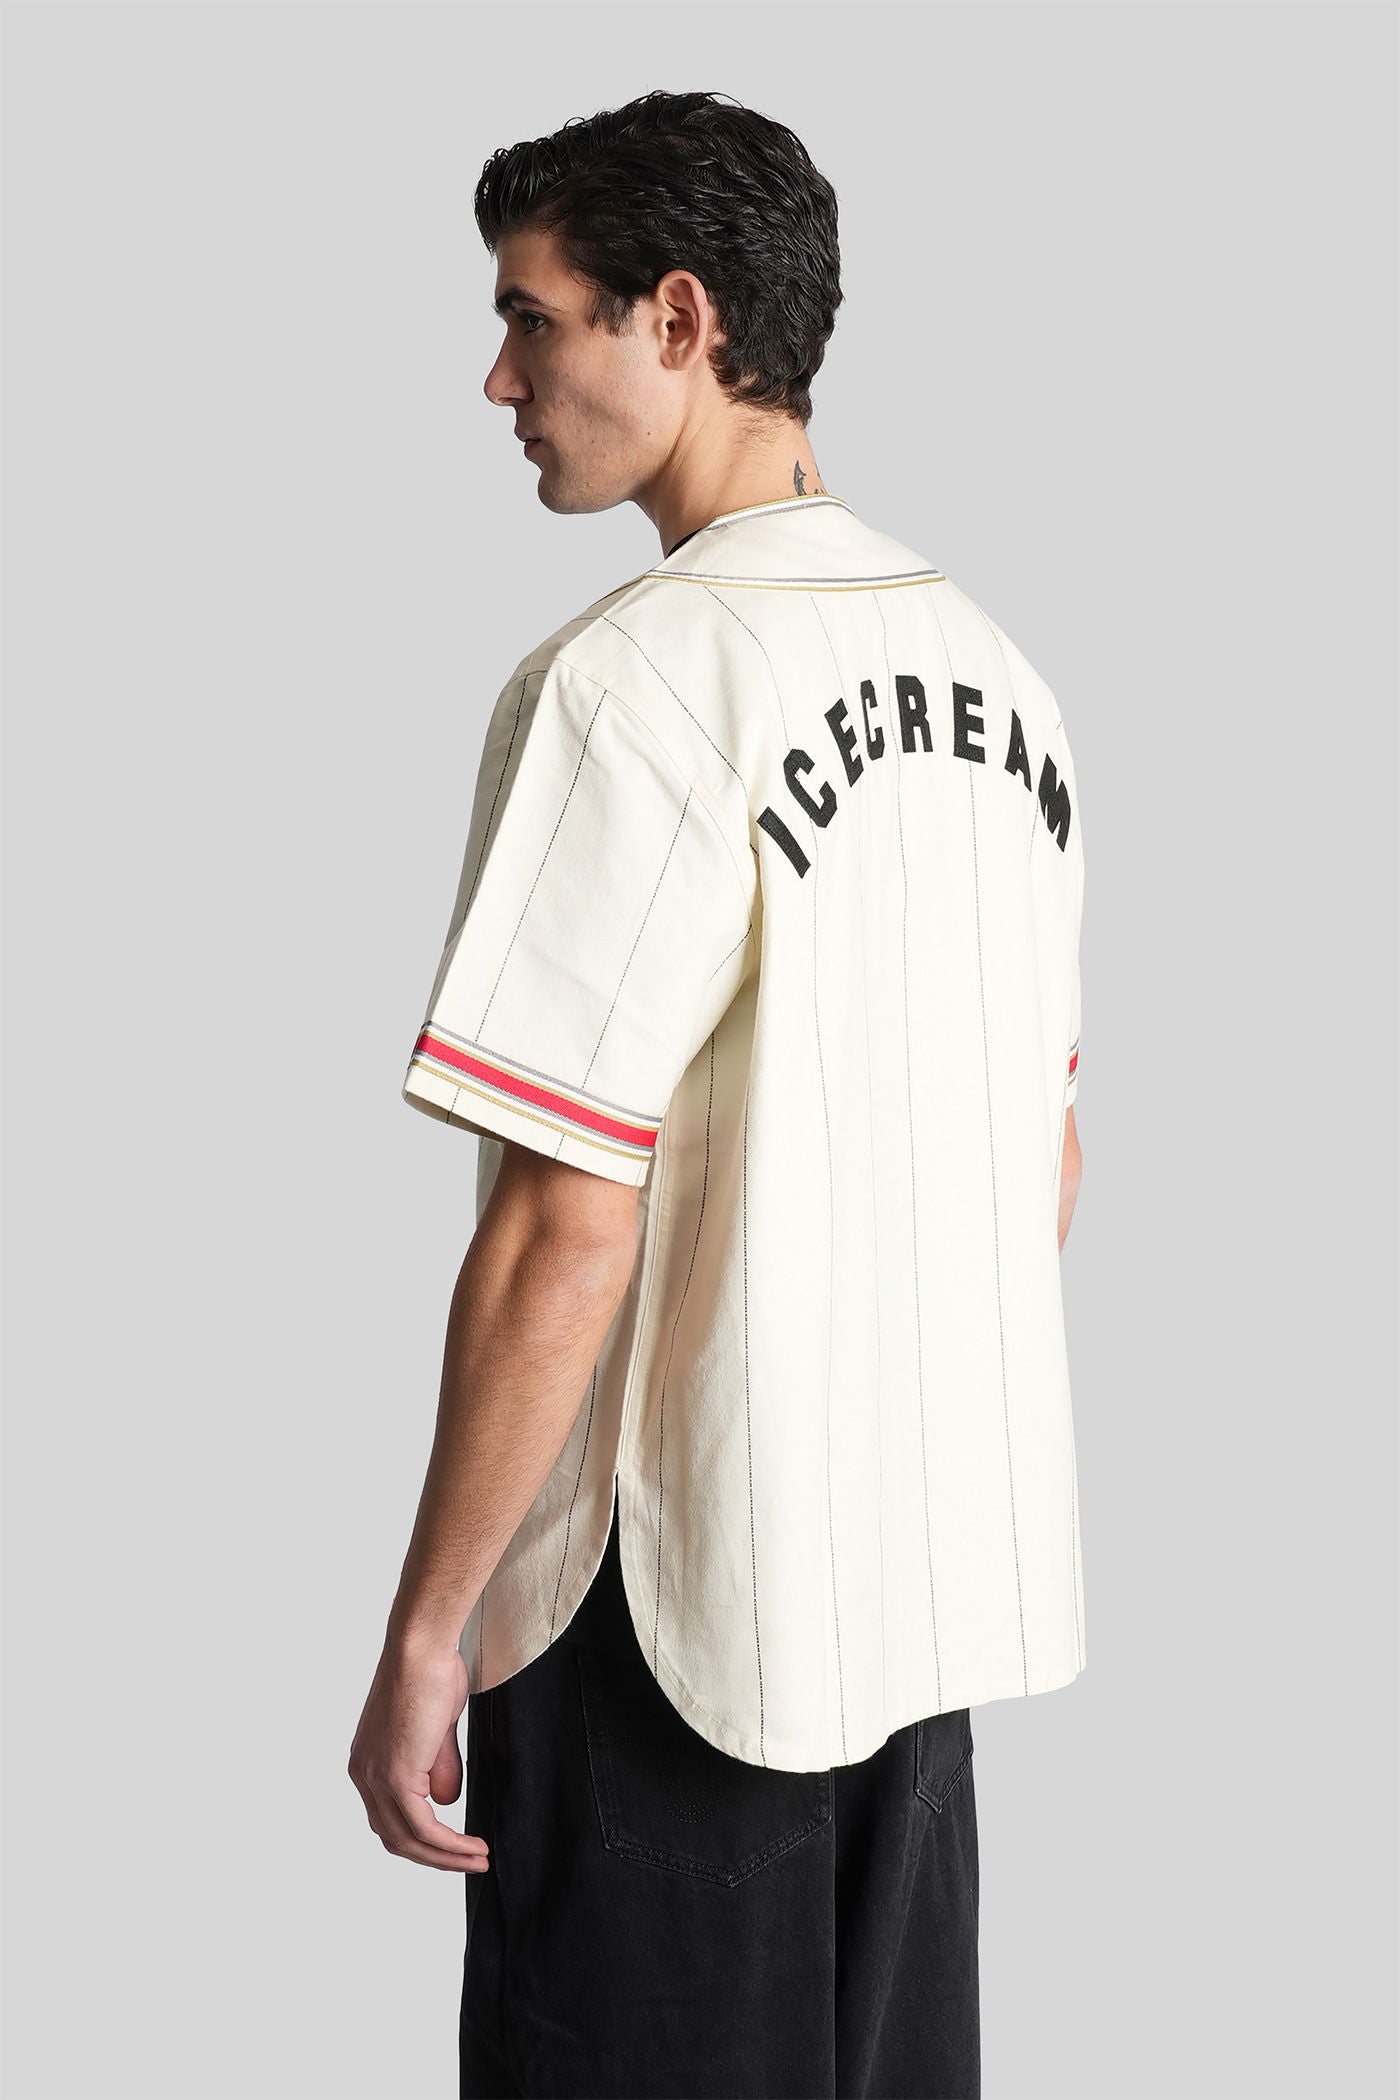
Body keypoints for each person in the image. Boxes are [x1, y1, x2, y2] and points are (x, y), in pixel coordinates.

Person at [348, 87, 1086, 2100]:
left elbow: (562, 1222)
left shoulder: (631, 684)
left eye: (532, 319)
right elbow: (1042, 1162)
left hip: (663, 1623)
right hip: (914, 1613)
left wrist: (426, 1634)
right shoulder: (1004, 684)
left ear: (678, 319)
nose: (499, 380)